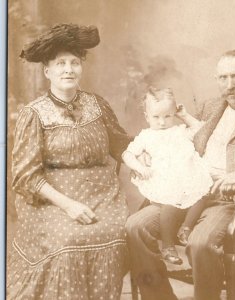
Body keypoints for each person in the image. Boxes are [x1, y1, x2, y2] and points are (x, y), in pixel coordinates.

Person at [125, 49, 235, 300]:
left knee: (201, 241)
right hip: (188, 192)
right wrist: (146, 155)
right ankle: (160, 297)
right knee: (135, 227)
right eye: (223, 78)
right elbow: (179, 142)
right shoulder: (210, 106)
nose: (229, 85)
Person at [7, 23, 131, 300]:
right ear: (47, 71)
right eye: (60, 63)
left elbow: (121, 145)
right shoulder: (34, 114)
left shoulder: (97, 105)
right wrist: (69, 205)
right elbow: (26, 177)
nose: (68, 69)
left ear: (81, 68)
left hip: (103, 195)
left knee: (115, 236)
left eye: (74, 63)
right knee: (68, 241)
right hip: (52, 201)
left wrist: (152, 163)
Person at [122, 87, 213, 265]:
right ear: (147, 116)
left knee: (204, 192)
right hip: (165, 179)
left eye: (168, 116)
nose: (162, 122)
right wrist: (139, 166)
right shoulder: (146, 136)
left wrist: (184, 116)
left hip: (188, 177)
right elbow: (127, 154)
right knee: (171, 202)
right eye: (156, 117)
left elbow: (202, 129)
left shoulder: (179, 130)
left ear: (174, 114)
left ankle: (186, 229)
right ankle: (167, 246)